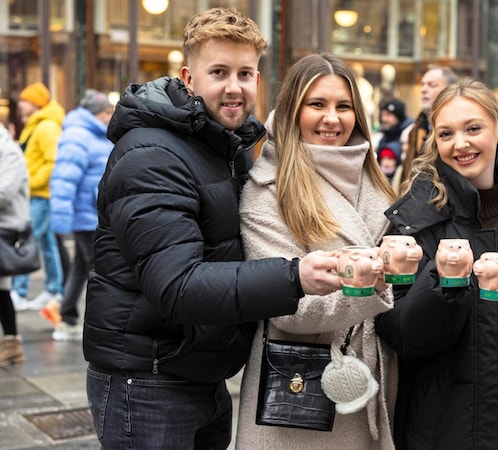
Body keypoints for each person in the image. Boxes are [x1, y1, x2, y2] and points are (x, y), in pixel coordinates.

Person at [83, 9, 342, 449]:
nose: (233, 87)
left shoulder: (225, 145)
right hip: (147, 382)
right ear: (189, 77)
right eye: (218, 72)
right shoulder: (152, 154)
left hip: (199, 373)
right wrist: (295, 276)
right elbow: (177, 286)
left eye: (245, 73)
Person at [235, 53, 398, 449]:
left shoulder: (372, 177)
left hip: (374, 378)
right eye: (317, 105)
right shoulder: (267, 191)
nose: (332, 119)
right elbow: (287, 306)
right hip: (301, 395)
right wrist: (375, 286)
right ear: (293, 110)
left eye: (344, 106)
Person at [375, 78, 498, 448]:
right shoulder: (418, 216)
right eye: (446, 133)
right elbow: (398, 330)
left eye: (473, 128)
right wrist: (445, 281)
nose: (460, 144)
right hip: (453, 419)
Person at [45, 89, 114, 341]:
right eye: (107, 112)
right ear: (95, 113)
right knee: (100, 271)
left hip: (92, 213)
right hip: (87, 216)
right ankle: (97, 325)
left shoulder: (95, 135)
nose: (110, 117)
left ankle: (68, 316)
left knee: (81, 268)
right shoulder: (78, 136)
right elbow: (64, 181)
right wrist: (61, 220)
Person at [11, 82, 65, 311]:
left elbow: (52, 162)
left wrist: (29, 184)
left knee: (27, 242)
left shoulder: (46, 127)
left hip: (40, 195)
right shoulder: (38, 125)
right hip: (40, 195)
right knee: (45, 244)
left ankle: (20, 292)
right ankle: (54, 290)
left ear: (35, 102)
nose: (20, 104)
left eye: (24, 99)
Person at [397, 65, 458, 189]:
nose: (424, 89)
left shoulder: (458, 129)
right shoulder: (415, 129)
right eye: (423, 84)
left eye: (432, 85)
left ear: (449, 90)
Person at [0, 123, 29, 367]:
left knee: (1, 289)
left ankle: (12, 345)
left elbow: (4, 192)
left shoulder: (8, 152)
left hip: (5, 230)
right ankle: (11, 345)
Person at [376, 98, 413, 185]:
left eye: (388, 115)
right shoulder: (385, 136)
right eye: (383, 115)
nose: (384, 119)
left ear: (398, 116)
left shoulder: (409, 134)